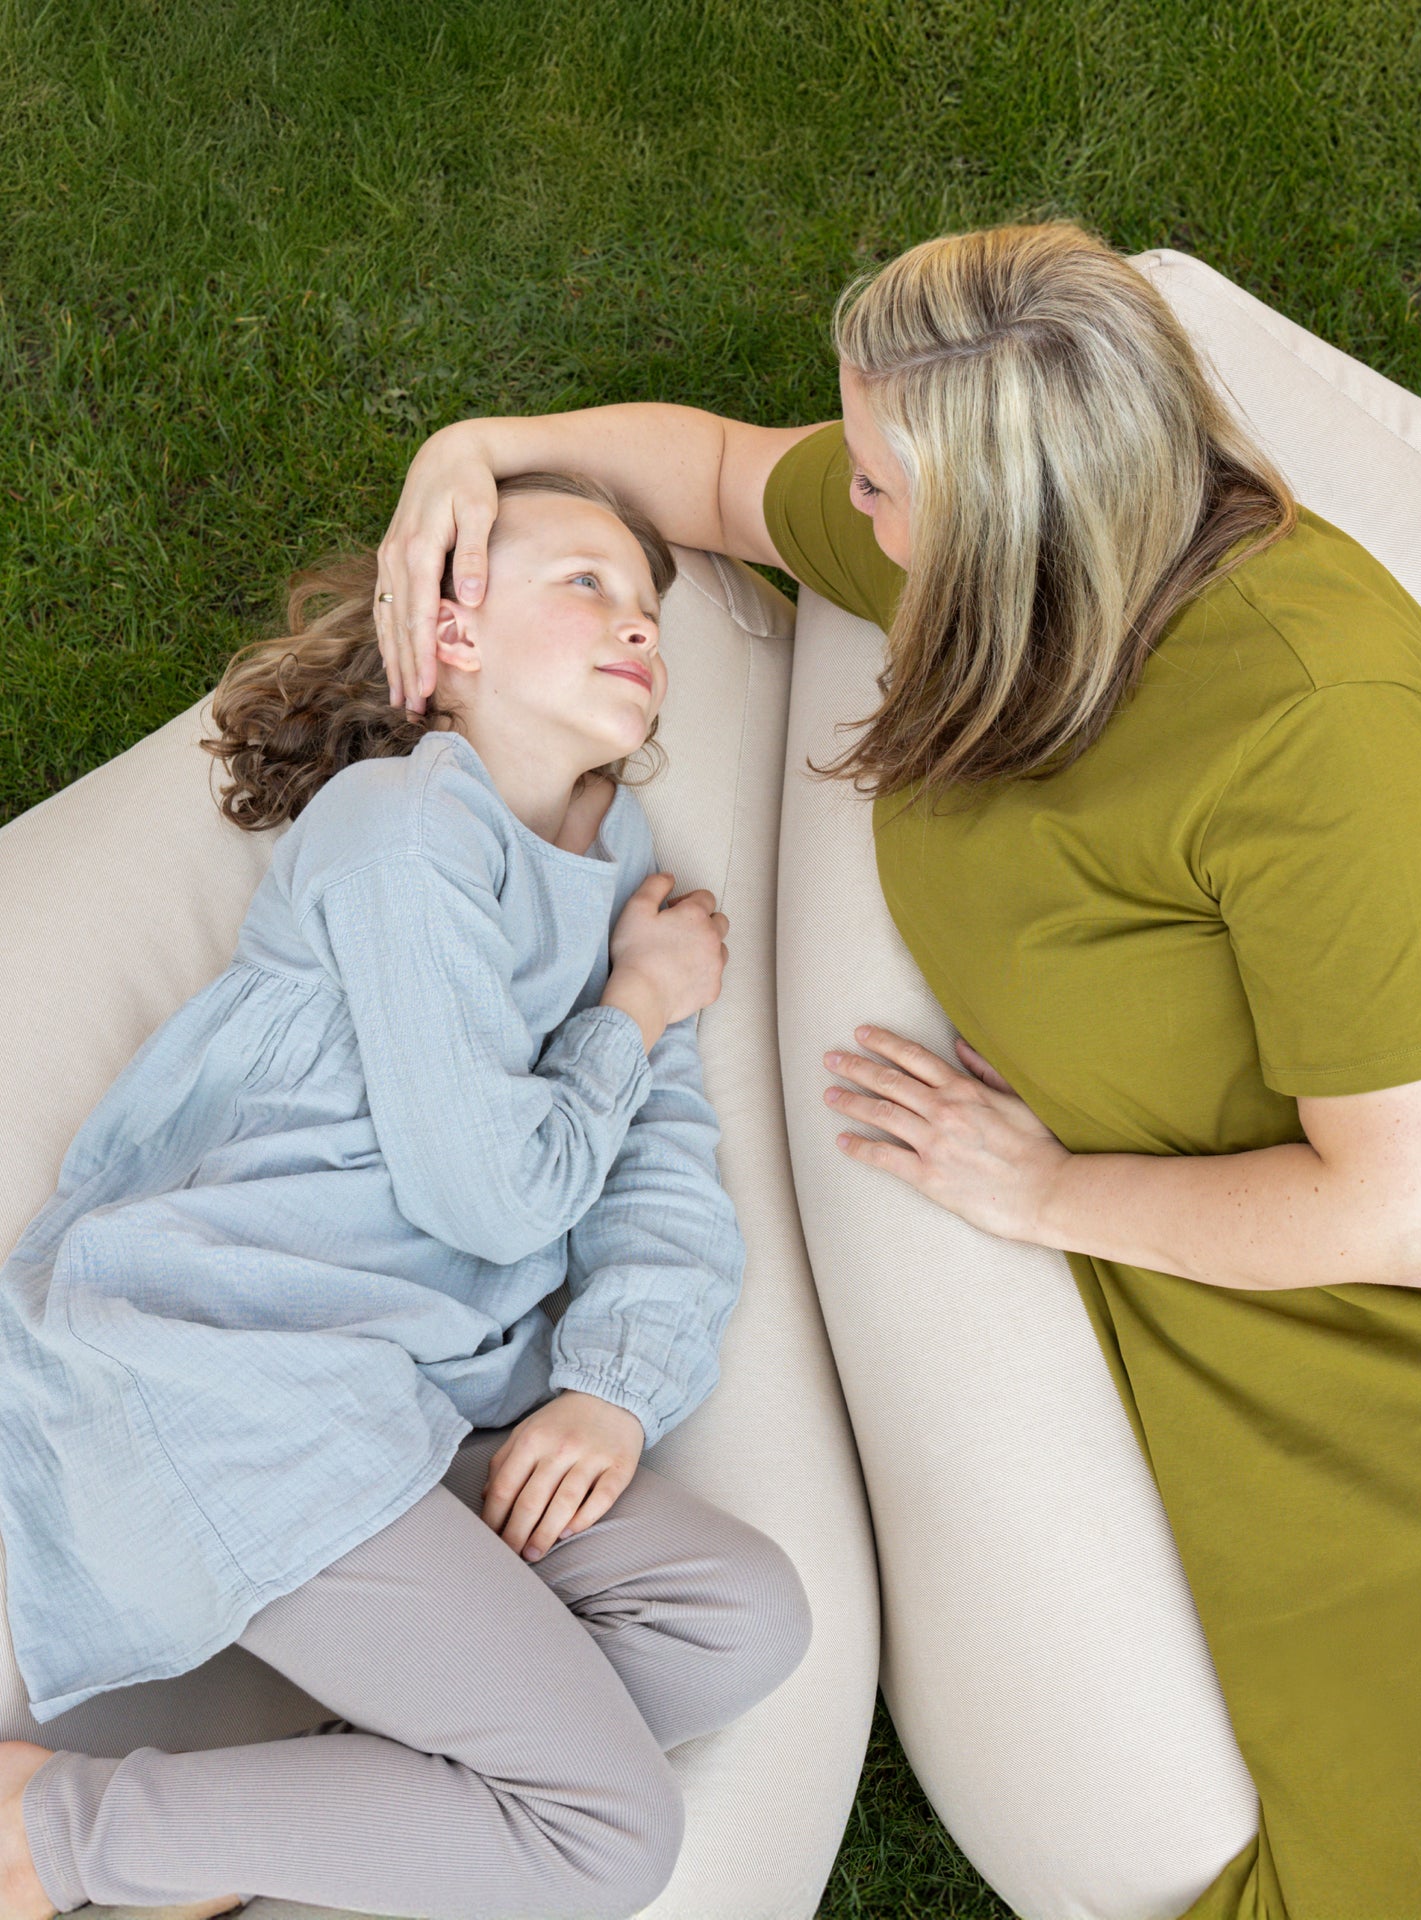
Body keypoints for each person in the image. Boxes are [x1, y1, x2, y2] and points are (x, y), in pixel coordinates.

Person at [371, 220, 1421, 1919]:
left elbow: (1404, 1212)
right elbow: (719, 478)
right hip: (1315, 1215)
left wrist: (1041, 1190)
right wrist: (477, 447)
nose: (850, 507)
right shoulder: (999, 565)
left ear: (1025, 516)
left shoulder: (1317, 723)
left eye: (879, 484)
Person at [0, 470, 812, 1920]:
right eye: (584, 584)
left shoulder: (627, 876)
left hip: (408, 1404)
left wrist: (616, 1389)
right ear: (452, 635)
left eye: (648, 606)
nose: (639, 625)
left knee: (735, 1616)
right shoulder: (402, 827)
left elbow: (665, 1177)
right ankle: (46, 1832)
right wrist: (631, 1009)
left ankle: (268, 1820)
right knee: (606, 1837)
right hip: (237, 1373)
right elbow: (491, 1196)